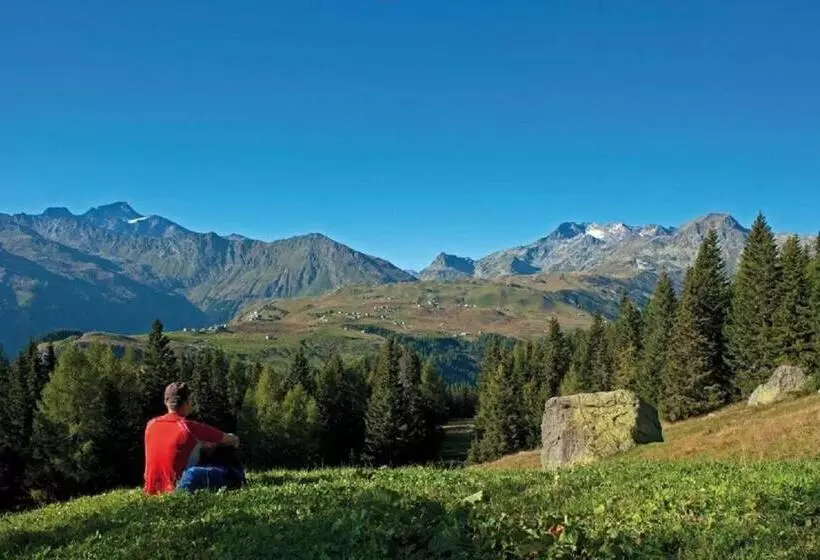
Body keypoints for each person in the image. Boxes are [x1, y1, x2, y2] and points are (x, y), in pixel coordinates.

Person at [143, 381, 241, 495]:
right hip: (180, 487)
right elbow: (232, 440)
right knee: (224, 454)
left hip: (152, 490)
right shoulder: (189, 427)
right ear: (187, 402)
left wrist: (202, 445)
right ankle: (237, 478)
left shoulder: (151, 425)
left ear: (166, 402)